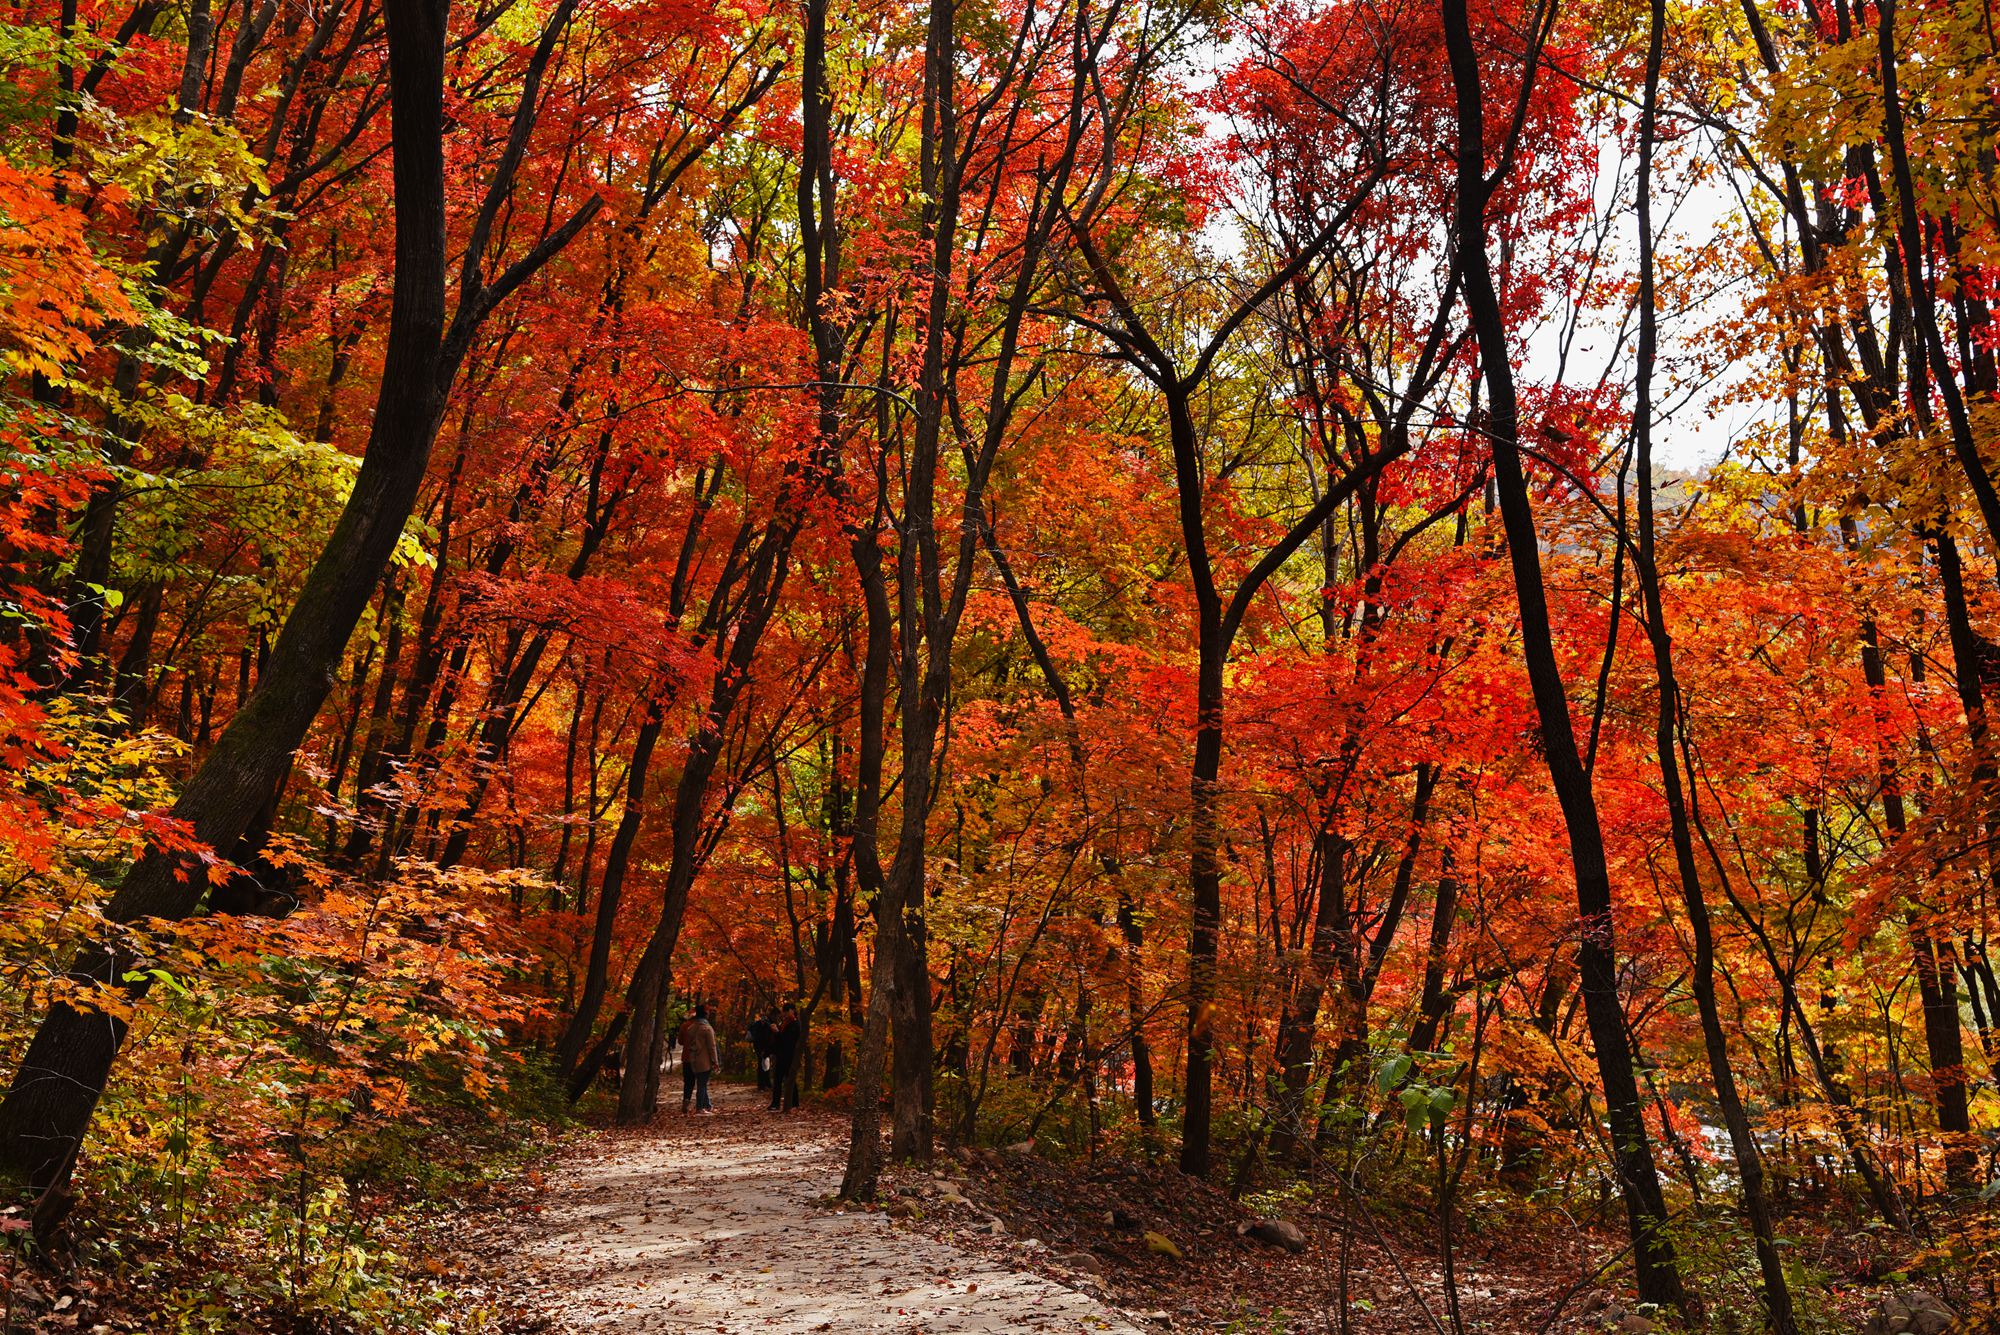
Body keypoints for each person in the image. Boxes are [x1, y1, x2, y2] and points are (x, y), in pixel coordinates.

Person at [677, 1004, 718, 1114]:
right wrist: (715, 1061)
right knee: (702, 1083)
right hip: (702, 1060)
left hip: (687, 1058)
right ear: (706, 1014)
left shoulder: (687, 1026)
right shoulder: (706, 1028)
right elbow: (712, 1047)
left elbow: (680, 1041)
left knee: (689, 1082)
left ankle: (687, 1102)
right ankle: (700, 1107)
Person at [768, 1002, 801, 1112]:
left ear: (792, 1011)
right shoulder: (784, 1023)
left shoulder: (795, 1025)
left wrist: (777, 1032)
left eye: (787, 1011)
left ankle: (794, 1103)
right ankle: (775, 1103)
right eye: (784, 1012)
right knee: (777, 1080)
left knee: (790, 1080)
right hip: (781, 1056)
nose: (785, 1014)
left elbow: (788, 1041)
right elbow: (779, 1041)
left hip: (790, 1056)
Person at [748, 1010, 776, 1090]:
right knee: (764, 1066)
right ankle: (764, 1084)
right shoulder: (767, 1026)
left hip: (759, 1048)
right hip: (763, 1049)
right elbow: (767, 1039)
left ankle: (763, 1084)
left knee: (763, 1065)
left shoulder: (757, 1025)